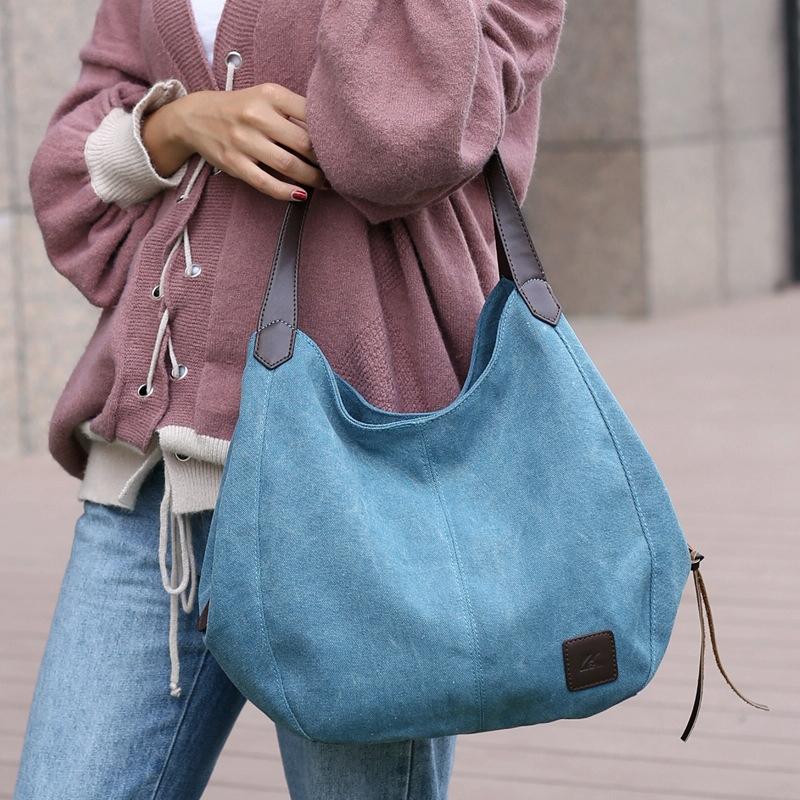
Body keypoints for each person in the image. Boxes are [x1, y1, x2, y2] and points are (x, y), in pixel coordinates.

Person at [13, 0, 565, 797]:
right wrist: (180, 124)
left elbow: (399, 144)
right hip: (159, 493)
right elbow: (72, 164)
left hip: (363, 499)